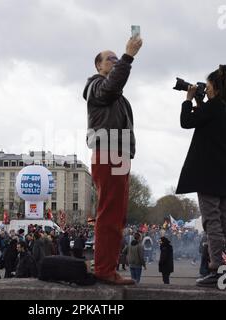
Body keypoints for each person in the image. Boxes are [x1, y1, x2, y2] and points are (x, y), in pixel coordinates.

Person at [175, 65, 226, 288]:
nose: (208, 89)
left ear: (215, 86)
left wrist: (188, 99)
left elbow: (186, 122)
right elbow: (210, 124)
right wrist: (201, 103)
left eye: (210, 85)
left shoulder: (213, 107)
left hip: (207, 173)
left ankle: (216, 270)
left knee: (212, 221)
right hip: (225, 174)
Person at [83, 35, 143, 286]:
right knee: (109, 211)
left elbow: (115, 86)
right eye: (111, 59)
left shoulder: (113, 94)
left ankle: (106, 267)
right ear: (98, 66)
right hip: (109, 152)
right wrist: (128, 56)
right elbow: (112, 86)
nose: (116, 61)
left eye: (117, 59)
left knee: (116, 213)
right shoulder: (97, 86)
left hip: (117, 153)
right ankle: (105, 269)